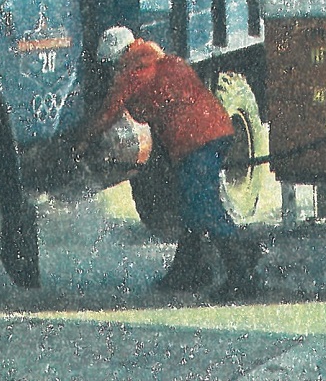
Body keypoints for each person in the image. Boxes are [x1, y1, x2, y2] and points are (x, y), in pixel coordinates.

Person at [78, 26, 262, 297]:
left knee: (203, 204)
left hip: (196, 140)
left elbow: (109, 113)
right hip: (216, 131)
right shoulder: (163, 60)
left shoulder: (133, 73)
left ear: (117, 59)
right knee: (191, 205)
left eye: (110, 67)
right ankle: (189, 271)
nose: (111, 73)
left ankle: (241, 274)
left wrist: (82, 141)